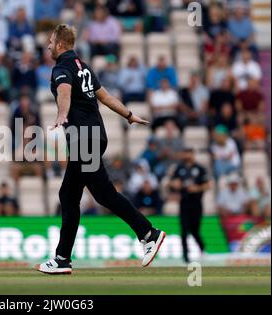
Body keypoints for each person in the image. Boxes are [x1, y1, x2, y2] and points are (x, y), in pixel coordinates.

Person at [37, 24, 165, 275]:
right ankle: (63, 258)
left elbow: (64, 92)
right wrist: (128, 115)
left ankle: (149, 234)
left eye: (51, 42)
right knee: (75, 196)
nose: (48, 45)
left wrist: (62, 114)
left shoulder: (61, 68)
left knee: (94, 195)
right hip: (95, 136)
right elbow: (105, 97)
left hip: (84, 138)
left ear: (61, 44)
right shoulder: (83, 67)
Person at [170, 148, 210, 263]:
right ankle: (185, 256)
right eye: (185, 154)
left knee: (195, 230)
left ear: (192, 155)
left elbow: (207, 185)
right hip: (184, 203)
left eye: (189, 154)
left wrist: (197, 188)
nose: (187, 156)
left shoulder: (200, 169)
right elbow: (172, 182)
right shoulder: (179, 168)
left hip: (196, 203)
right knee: (183, 230)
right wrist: (175, 184)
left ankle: (202, 248)